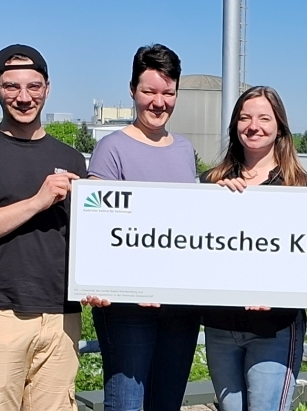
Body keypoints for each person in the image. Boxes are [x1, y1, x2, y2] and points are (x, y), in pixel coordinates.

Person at [0, 44, 86, 411]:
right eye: (12, 87)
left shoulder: (71, 158)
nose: (24, 98)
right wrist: (38, 201)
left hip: (61, 316)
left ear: (47, 88)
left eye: (33, 87)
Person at [80, 44, 201, 411]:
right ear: (133, 90)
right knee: (127, 404)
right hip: (127, 307)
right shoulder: (110, 149)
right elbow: (96, 227)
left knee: (167, 404)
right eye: (149, 91)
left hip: (179, 306)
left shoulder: (184, 149)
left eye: (168, 93)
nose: (159, 102)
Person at [200, 86, 307, 411]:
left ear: (279, 126)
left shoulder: (301, 187)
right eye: (245, 117)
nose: (254, 126)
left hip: (275, 329)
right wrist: (215, 200)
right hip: (221, 327)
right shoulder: (211, 182)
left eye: (265, 118)